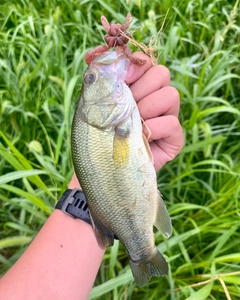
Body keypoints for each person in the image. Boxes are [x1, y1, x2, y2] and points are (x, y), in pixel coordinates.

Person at [0, 52, 184, 300]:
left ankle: (143, 250)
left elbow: (105, 168)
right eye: (90, 79)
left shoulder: (106, 118)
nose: (94, 76)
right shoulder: (103, 120)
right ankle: (143, 253)